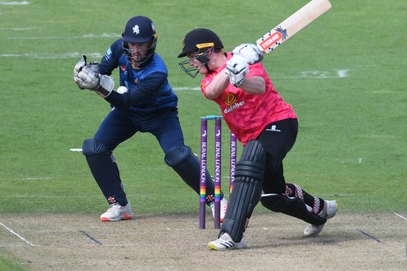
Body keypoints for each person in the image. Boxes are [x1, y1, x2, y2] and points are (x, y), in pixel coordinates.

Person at [177, 28, 337, 250]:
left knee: (249, 167)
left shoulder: (247, 60)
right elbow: (213, 91)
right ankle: (320, 211)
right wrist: (230, 70)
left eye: (193, 57)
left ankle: (232, 235)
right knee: (272, 196)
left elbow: (259, 87)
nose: (192, 63)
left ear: (209, 50)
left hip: (279, 122)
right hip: (252, 137)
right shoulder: (210, 79)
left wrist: (240, 77)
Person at [73, 16, 227, 222]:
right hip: (127, 115)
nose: (135, 50)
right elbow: (102, 70)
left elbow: (127, 100)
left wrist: (98, 87)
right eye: (132, 44)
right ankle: (120, 205)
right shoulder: (119, 48)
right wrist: (86, 75)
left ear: (151, 43)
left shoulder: (157, 72)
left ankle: (216, 200)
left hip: (160, 115)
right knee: (94, 148)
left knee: (178, 156)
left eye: (141, 44)